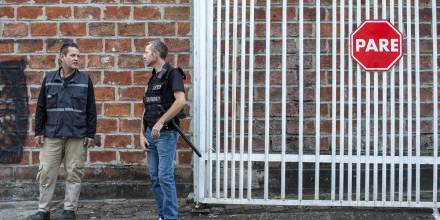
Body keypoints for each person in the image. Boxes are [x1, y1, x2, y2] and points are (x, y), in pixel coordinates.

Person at [28, 42, 97, 220]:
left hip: (77, 135)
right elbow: (41, 106)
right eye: (73, 55)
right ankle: (43, 212)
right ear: (62, 57)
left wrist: (90, 133)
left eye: (78, 56)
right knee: (46, 172)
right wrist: (38, 131)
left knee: (74, 172)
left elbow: (91, 109)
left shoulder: (84, 80)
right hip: (51, 134)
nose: (77, 59)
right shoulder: (49, 78)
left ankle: (69, 211)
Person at [140, 40, 186, 220]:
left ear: (156, 54)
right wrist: (141, 134)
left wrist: (160, 122)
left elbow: (181, 101)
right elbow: (146, 107)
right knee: (154, 176)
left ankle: (171, 217)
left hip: (166, 133)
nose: (143, 55)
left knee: (164, 176)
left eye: (146, 52)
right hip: (150, 134)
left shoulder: (173, 74)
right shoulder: (153, 78)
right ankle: (162, 215)